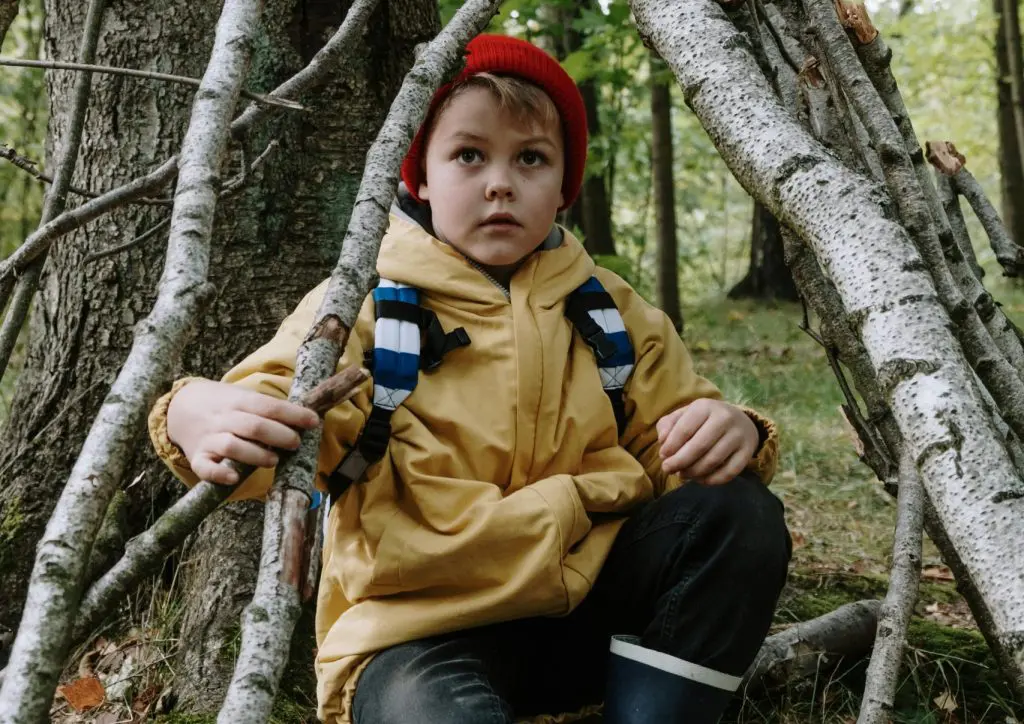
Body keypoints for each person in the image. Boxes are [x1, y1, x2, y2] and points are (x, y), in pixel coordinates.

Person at [148, 34, 790, 724]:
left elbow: (677, 448)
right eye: (469, 155)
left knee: (739, 515)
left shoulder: (609, 309)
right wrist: (193, 415)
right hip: (416, 635)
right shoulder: (367, 302)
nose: (500, 182)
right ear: (419, 176)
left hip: (585, 607)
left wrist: (732, 434)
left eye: (532, 159)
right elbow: (273, 410)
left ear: (565, 186)